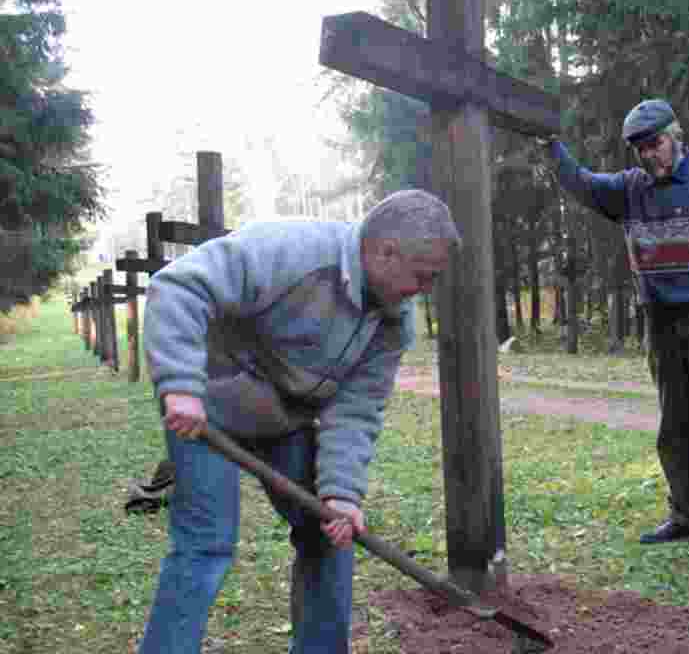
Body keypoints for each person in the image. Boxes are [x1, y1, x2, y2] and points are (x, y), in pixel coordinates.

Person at [137, 189, 460, 654]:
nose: (426, 289)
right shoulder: (293, 249)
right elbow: (179, 286)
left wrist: (342, 493)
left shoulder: (393, 322)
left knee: (330, 533)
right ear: (387, 251)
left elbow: (356, 409)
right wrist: (181, 384)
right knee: (206, 542)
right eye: (423, 276)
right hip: (205, 411)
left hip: (283, 420)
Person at [542, 99, 689, 552]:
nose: (648, 154)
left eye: (655, 143)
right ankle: (685, 517)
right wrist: (552, 149)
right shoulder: (629, 189)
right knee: (675, 426)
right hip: (661, 322)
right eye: (640, 148)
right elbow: (584, 184)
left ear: (675, 136)